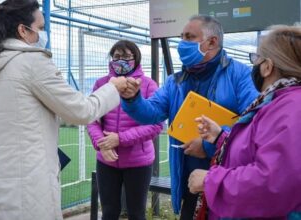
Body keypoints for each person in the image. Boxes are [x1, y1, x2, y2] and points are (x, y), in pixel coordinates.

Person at [0, 0, 127, 219]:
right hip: (23, 193)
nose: (43, 34)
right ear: (23, 30)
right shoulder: (32, 62)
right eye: (40, 28)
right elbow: (81, 111)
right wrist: (113, 88)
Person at [119, 15, 259, 218]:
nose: (182, 44)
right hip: (189, 184)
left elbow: (253, 124)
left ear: (212, 42)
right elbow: (151, 112)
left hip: (229, 181)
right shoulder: (175, 81)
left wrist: (208, 146)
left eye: (189, 37)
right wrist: (133, 99)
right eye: (181, 37)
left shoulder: (240, 75)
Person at [189, 25, 301, 219]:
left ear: (267, 66)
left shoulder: (290, 107)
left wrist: (211, 181)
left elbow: (274, 182)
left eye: (256, 59)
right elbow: (264, 149)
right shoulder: (281, 101)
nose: (254, 65)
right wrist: (220, 138)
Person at [87, 40, 163, 220]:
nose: (121, 61)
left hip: (139, 162)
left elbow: (156, 124)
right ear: (111, 59)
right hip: (107, 162)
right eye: (117, 57)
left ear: (136, 59)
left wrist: (120, 139)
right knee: (109, 212)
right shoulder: (101, 84)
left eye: (127, 57)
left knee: (136, 213)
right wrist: (102, 144)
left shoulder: (148, 85)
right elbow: (92, 118)